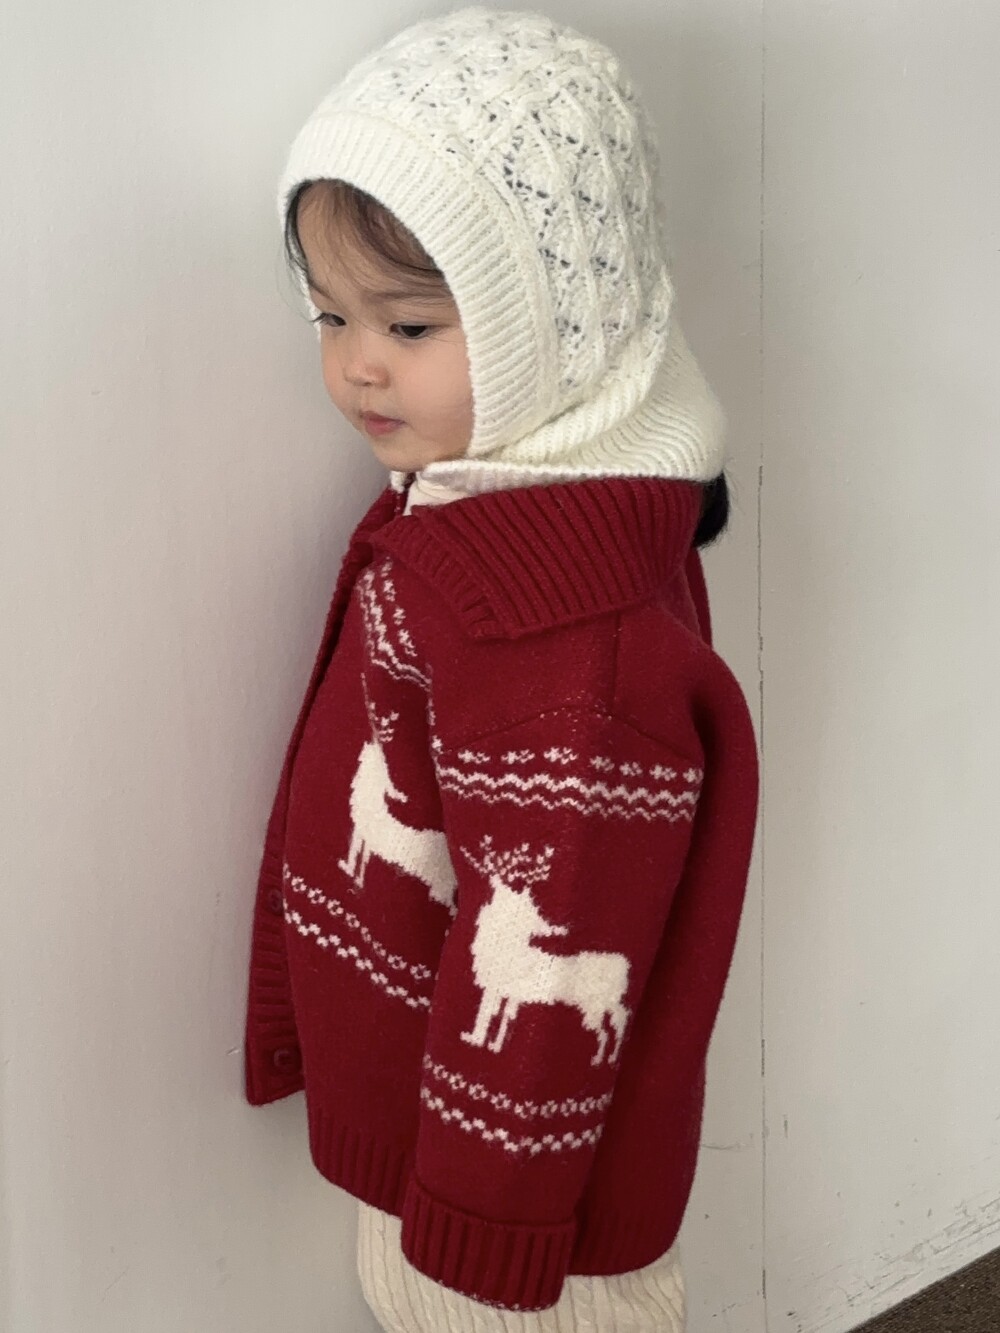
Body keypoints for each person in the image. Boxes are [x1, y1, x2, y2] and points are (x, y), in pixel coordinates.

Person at [241, 7, 760, 1330]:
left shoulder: (574, 646)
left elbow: (566, 912)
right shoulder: (470, 514)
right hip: (437, 1151)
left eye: (411, 324)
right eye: (331, 314)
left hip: (514, 1231)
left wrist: (479, 1225)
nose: (356, 362)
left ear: (560, 329)